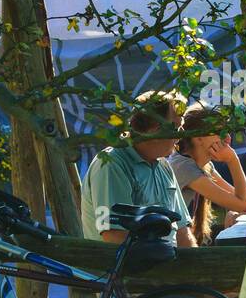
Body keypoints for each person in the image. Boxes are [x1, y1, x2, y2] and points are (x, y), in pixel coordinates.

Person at [80, 90, 195, 246]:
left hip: (164, 265)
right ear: (155, 128)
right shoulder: (112, 165)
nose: (180, 136)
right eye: (176, 128)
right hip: (128, 269)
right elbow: (114, 237)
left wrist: (195, 267)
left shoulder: (163, 166)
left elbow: (183, 233)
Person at [168, 104, 246, 245]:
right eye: (219, 132)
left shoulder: (204, 165)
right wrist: (233, 160)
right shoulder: (183, 166)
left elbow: (242, 201)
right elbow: (245, 205)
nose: (227, 139)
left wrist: (233, 213)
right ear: (198, 138)